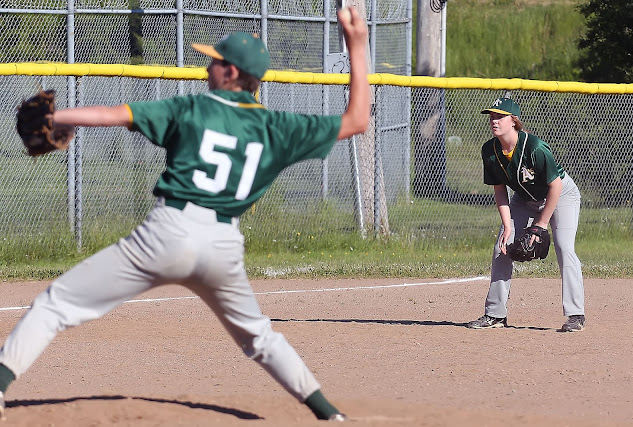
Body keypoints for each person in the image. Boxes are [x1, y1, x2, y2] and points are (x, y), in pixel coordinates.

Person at [0, 7, 370, 422]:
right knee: (259, 338)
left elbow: (113, 115)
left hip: (168, 232)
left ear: (231, 73)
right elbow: (357, 120)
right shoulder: (279, 127)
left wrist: (58, 118)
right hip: (223, 247)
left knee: (54, 305)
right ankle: (328, 413)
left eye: (214, 60)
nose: (207, 66)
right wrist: (357, 44)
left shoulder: (193, 108)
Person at [467, 97, 585, 332]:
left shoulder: (535, 147)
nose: (494, 120)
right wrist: (508, 227)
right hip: (523, 199)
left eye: (500, 116)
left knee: (564, 247)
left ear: (513, 121)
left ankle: (575, 314)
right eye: (492, 116)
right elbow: (500, 190)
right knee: (501, 247)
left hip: (561, 195)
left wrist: (540, 225)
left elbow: (556, 186)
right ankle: (495, 314)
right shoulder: (489, 151)